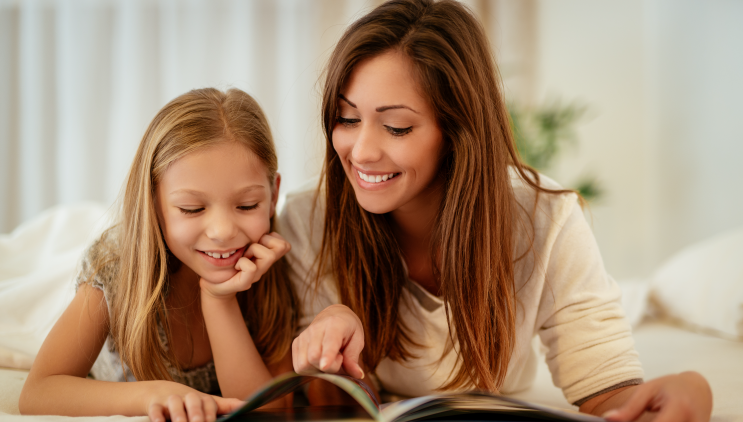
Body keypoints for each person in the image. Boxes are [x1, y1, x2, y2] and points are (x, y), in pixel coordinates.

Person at [282, 0, 713, 421]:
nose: (360, 151)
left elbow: (610, 394)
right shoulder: (305, 220)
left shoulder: (547, 218)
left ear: (456, 129)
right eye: (346, 118)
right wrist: (329, 349)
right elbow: (322, 398)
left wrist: (693, 388)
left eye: (396, 127)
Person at [19, 88, 299, 422]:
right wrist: (159, 393)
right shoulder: (114, 268)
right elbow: (39, 391)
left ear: (273, 196)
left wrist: (218, 300)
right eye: (192, 208)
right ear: (153, 202)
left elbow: (269, 411)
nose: (222, 231)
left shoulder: (271, 265)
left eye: (247, 205)